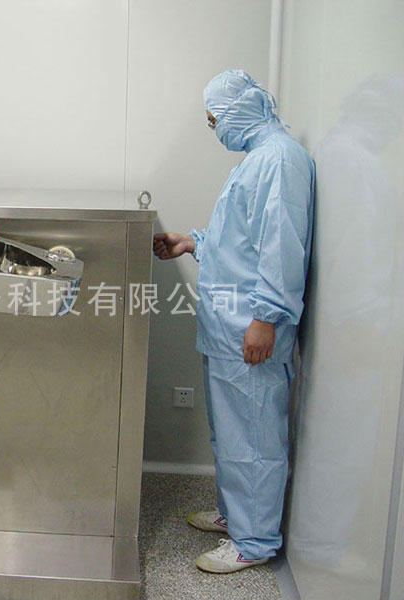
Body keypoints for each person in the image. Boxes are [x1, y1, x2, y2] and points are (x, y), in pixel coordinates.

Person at [153, 69, 314, 573]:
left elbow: (281, 247)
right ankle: (234, 516)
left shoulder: (280, 161)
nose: (214, 129)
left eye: (214, 119)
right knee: (232, 432)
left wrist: (267, 317)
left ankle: (254, 541)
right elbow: (238, 240)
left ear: (238, 110)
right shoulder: (259, 159)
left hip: (250, 328)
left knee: (255, 439)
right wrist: (191, 242)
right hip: (228, 326)